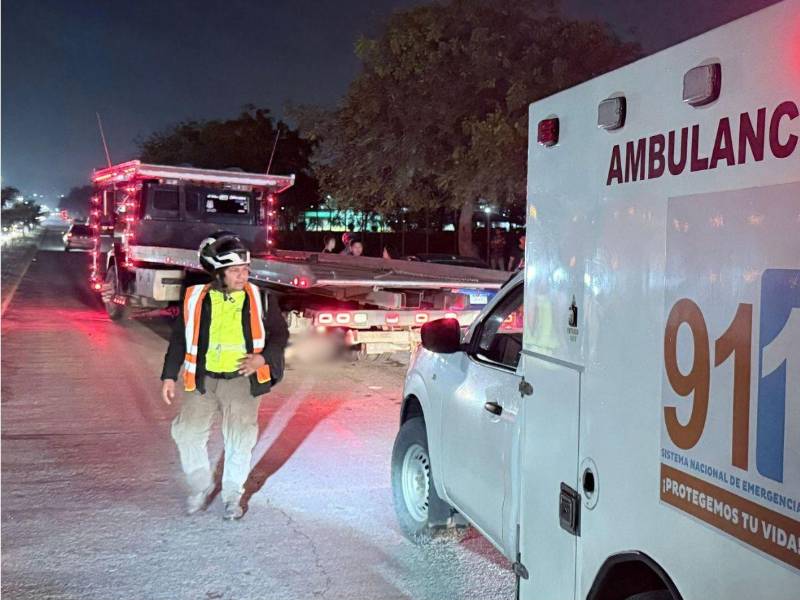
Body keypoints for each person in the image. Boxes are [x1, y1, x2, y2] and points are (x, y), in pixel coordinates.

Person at [161, 231, 289, 520]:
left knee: (240, 439)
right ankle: (200, 485)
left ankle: (233, 496)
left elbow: (280, 335)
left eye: (245, 270)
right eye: (234, 271)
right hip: (203, 381)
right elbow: (179, 339)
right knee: (186, 432)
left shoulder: (262, 298)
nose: (242, 275)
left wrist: (262, 359)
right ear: (219, 273)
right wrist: (169, 375)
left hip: (242, 381)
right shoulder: (195, 298)